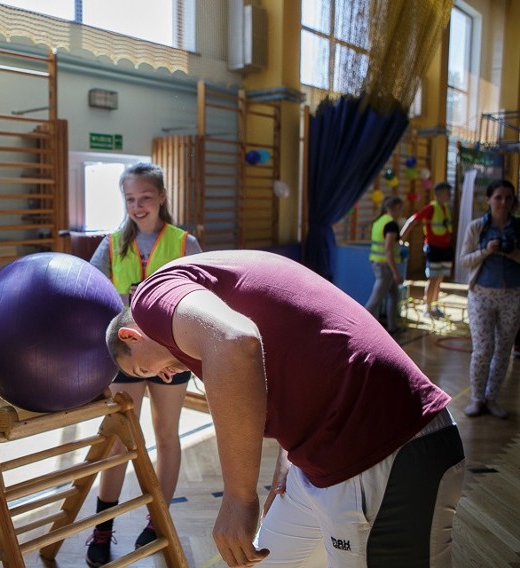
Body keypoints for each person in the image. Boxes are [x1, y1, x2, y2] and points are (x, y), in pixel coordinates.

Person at [105, 249, 465, 567]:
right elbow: (287, 341)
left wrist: (237, 497)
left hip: (383, 446)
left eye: (143, 370)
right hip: (320, 460)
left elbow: (236, 342)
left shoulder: (153, 298)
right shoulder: (198, 294)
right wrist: (287, 453)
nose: (163, 378)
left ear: (130, 336)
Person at [85, 162, 202, 567]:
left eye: (145, 198)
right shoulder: (112, 243)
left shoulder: (186, 242)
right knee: (118, 440)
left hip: (172, 353)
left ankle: (157, 521)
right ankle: (103, 525)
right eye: (130, 199)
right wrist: (124, 302)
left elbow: (200, 303)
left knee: (166, 436)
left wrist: (178, 347)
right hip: (126, 353)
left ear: (162, 198)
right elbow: (93, 296)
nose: (137, 206)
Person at [458, 179, 520, 419]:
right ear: (489, 200)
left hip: (513, 296)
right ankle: (477, 399)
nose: (503, 202)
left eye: (508, 198)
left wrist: (513, 253)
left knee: (503, 350)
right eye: (498, 197)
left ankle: (492, 398)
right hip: (481, 295)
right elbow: (464, 260)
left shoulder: (518, 227)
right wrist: (487, 250)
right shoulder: (477, 228)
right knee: (483, 350)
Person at [400, 182, 454, 318]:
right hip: (434, 248)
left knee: (440, 277)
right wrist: (401, 239)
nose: (449, 196)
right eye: (447, 193)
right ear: (438, 194)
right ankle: (427, 308)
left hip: (445, 248)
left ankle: (434, 306)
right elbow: (413, 220)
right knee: (433, 278)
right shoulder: (430, 208)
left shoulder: (446, 208)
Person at [364, 195, 405, 334]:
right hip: (385, 267)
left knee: (394, 295)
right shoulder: (391, 224)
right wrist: (396, 273)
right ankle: (359, 327)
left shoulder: (379, 221)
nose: (401, 212)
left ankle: (392, 327)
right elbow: (388, 250)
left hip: (378, 263)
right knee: (375, 300)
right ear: (394, 209)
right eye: (400, 209)